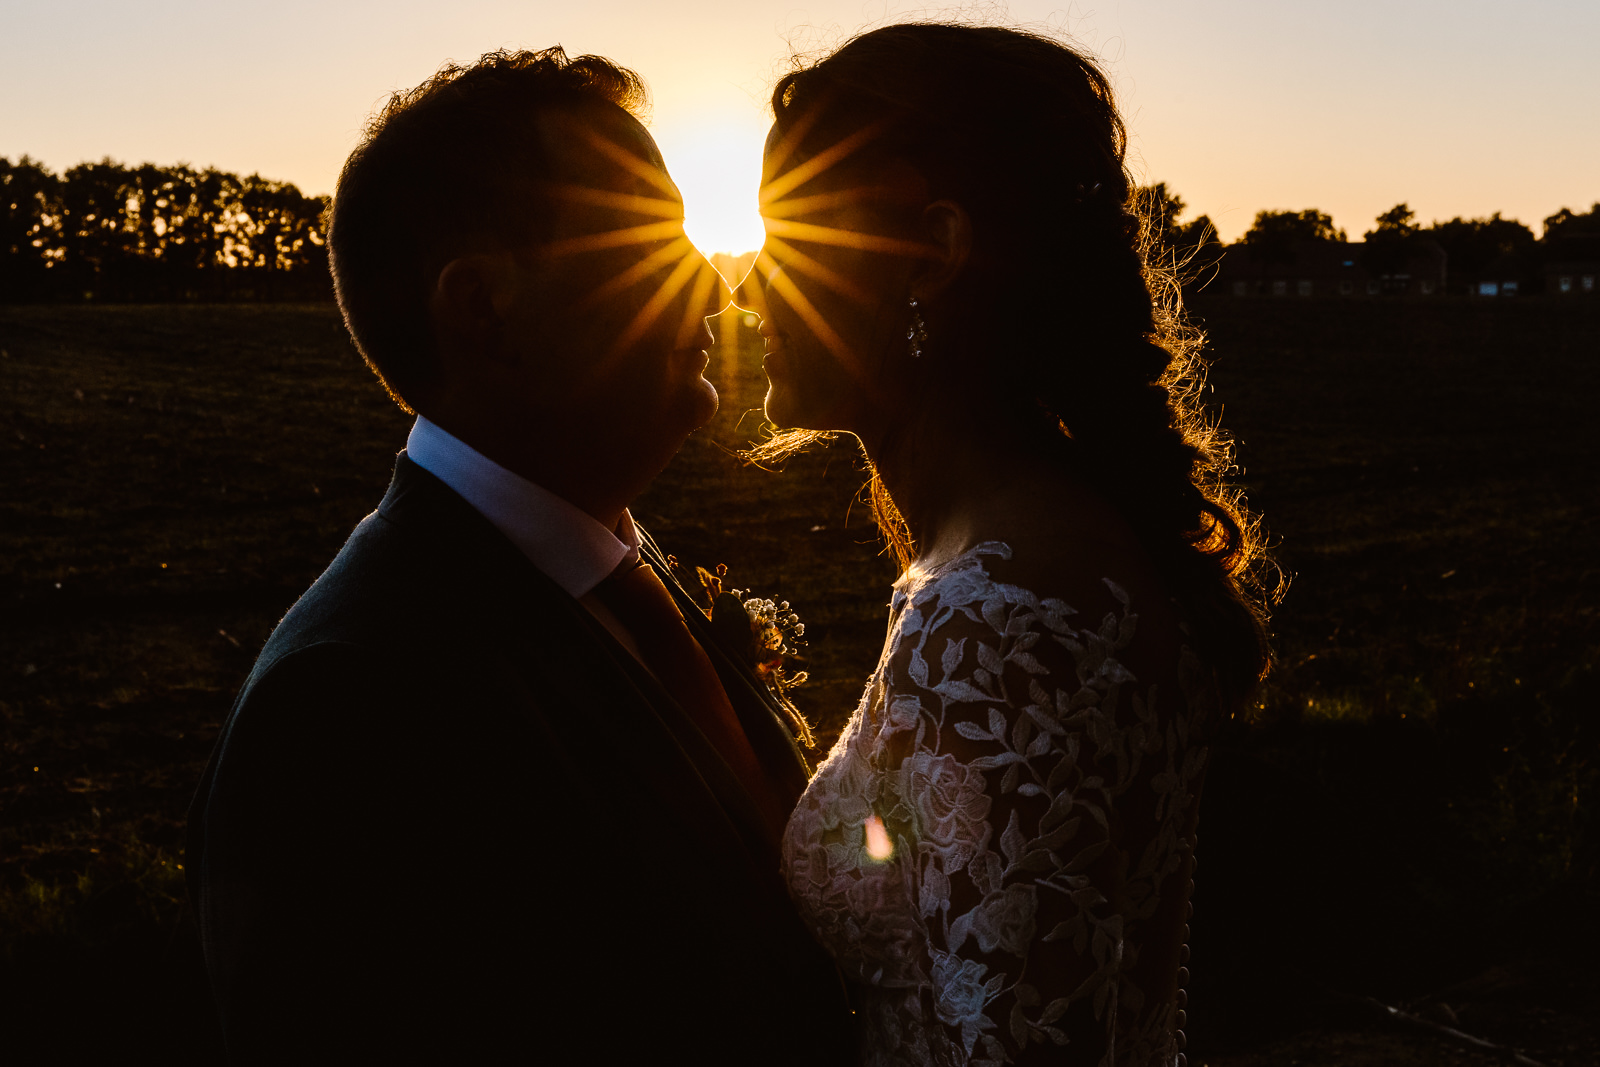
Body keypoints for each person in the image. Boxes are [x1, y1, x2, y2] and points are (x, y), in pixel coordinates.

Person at [185, 48, 853, 1064]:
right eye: (646, 236)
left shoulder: (633, 577)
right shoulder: (348, 705)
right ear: (484, 307)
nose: (714, 273)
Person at [743, 24, 1275, 1067]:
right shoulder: (1043, 546)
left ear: (934, 251)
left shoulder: (994, 619)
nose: (745, 287)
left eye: (788, 241)